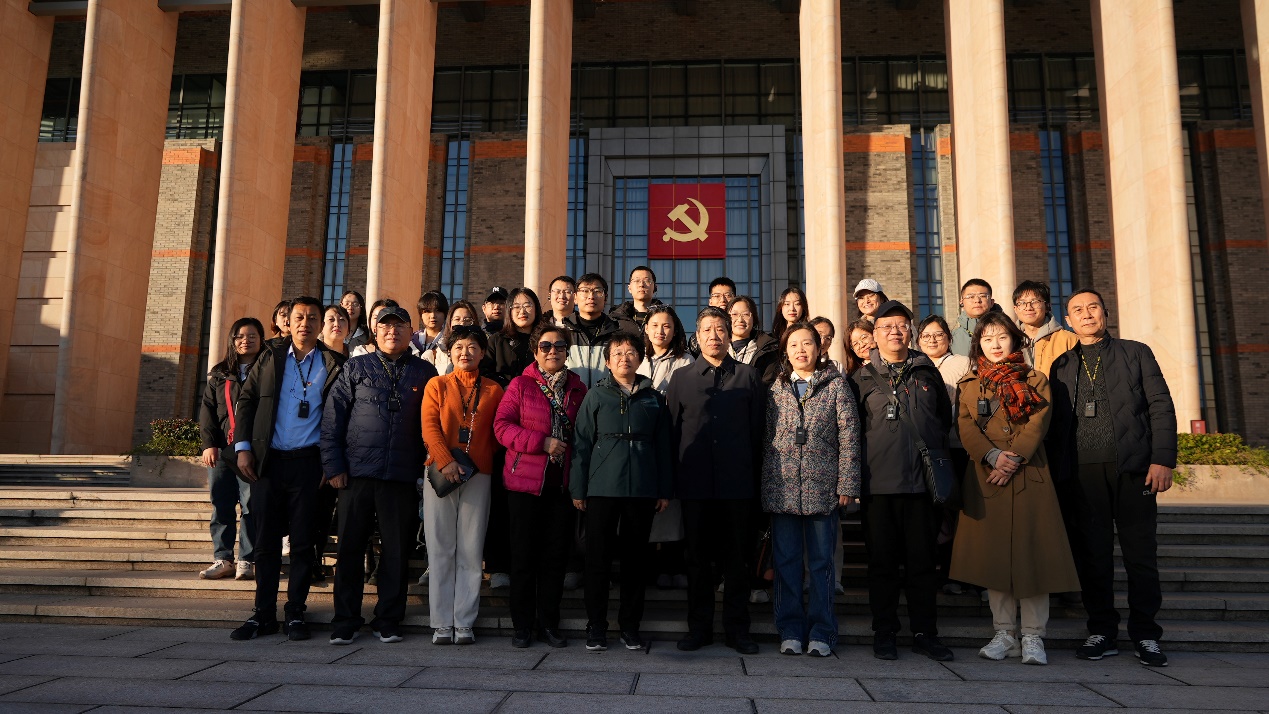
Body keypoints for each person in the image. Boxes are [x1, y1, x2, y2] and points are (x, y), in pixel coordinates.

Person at [1047, 289, 1176, 667]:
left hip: (1134, 470)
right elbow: (1055, 425)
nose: (1086, 314)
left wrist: (1162, 459)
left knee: (1140, 555)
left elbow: (1161, 406)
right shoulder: (1061, 364)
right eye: (1077, 310)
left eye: (1093, 308)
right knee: (1093, 556)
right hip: (1082, 475)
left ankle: (1146, 634)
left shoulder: (1136, 353)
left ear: (1105, 313)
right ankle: (1101, 629)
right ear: (1068, 321)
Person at [950, 311, 1080, 666]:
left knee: (1032, 556)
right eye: (987, 338)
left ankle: (1033, 635)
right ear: (978, 344)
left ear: (1015, 340)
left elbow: (1038, 422)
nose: (995, 344)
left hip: (1028, 474)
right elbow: (966, 427)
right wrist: (992, 456)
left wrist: (1014, 457)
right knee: (995, 560)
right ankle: (1004, 633)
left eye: (1002, 337)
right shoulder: (969, 383)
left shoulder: (1035, 379)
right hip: (986, 475)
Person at [230, 296, 347, 641]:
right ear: (288, 322)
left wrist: (330, 460)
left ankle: (295, 611)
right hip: (269, 463)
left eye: (312, 318)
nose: (305, 324)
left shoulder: (333, 363)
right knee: (265, 542)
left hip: (309, 464)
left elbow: (341, 417)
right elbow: (247, 401)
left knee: (303, 543)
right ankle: (263, 614)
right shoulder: (270, 355)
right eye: (299, 317)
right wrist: (243, 448)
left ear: (321, 324)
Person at [322, 306, 438, 645]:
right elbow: (332, 419)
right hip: (356, 474)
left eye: (399, 326)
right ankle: (345, 619)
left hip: (401, 476)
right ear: (375, 331)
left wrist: (423, 471)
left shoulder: (424, 371)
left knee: (396, 552)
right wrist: (333, 467)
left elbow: (432, 423)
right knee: (350, 549)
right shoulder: (356, 367)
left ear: (410, 331)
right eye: (386, 326)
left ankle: (388, 618)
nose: (392, 331)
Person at [851, 300, 954, 662]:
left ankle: (926, 633)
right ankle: (885, 631)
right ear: (875, 335)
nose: (894, 332)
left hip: (921, 486)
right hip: (878, 488)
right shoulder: (860, 378)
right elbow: (852, 432)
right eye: (887, 327)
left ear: (910, 332)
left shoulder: (926, 372)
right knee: (882, 564)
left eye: (901, 325)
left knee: (922, 565)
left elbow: (943, 419)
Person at [667, 306, 765, 655]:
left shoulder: (748, 376)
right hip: (695, 485)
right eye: (707, 329)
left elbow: (758, 432)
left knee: (737, 559)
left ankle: (738, 629)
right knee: (697, 560)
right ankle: (699, 628)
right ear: (697, 336)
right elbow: (671, 433)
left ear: (729, 334)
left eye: (720, 329)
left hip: (737, 485)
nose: (714, 335)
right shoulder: (682, 378)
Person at [762, 323, 861, 658]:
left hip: (823, 489)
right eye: (794, 345)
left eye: (807, 343)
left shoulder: (836, 385)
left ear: (819, 348)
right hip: (782, 488)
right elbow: (766, 440)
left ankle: (822, 631)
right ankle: (790, 630)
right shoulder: (775, 389)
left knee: (821, 565)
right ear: (785, 351)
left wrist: (847, 483)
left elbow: (849, 436)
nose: (801, 350)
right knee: (787, 563)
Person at [570, 332, 673, 651]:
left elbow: (664, 446)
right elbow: (581, 443)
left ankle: (630, 626)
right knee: (597, 559)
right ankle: (596, 626)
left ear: (640, 358)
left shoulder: (654, 398)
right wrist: (578, 487)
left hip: (642, 487)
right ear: (607, 361)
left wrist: (664, 488)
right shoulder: (595, 396)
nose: (624, 358)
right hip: (602, 486)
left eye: (630, 352)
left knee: (635, 561)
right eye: (617, 353)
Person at [493, 323, 587, 648]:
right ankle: (522, 625)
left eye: (559, 346)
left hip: (561, 487)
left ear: (567, 352)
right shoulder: (520, 385)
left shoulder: (578, 389)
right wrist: (541, 442)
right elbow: (501, 427)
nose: (552, 351)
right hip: (524, 485)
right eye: (545, 346)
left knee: (555, 559)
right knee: (523, 558)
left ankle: (549, 623)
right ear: (535, 351)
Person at [420, 325, 504, 645]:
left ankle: (464, 621)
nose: (465, 352)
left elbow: (497, 433)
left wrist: (478, 457)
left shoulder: (494, 389)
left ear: (482, 353)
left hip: (478, 474)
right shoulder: (437, 384)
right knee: (441, 547)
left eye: (472, 347)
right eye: (458, 347)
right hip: (441, 473)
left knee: (471, 548)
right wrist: (446, 460)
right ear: (449, 352)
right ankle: (442, 622)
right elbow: (429, 426)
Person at [197, 317, 265, 582]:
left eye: (252, 336)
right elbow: (208, 411)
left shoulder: (267, 370)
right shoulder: (220, 373)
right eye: (240, 336)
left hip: (253, 450)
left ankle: (247, 559)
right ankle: (223, 558)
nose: (245, 341)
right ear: (232, 340)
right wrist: (209, 444)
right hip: (223, 450)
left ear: (261, 339)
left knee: (250, 505)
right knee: (221, 503)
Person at [637, 304, 694, 589]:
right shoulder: (637, 358)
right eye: (655, 325)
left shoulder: (686, 361)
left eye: (667, 326)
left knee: (672, 508)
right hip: (641, 442)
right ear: (646, 329)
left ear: (675, 330)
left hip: (673, 440)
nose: (660, 331)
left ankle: (673, 565)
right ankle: (648, 568)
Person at [917, 315, 972, 596]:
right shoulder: (915, 365)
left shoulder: (963, 363)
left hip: (957, 446)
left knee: (956, 511)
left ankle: (958, 573)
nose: (933, 340)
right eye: (926, 336)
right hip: (925, 450)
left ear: (949, 339)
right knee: (930, 515)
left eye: (938, 335)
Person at [562, 273, 621, 389]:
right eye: (585, 291)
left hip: (606, 397)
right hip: (571, 398)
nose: (591, 296)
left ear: (606, 298)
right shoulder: (563, 332)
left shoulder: (616, 334)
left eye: (597, 291)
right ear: (575, 297)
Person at [1013, 280, 1079, 377]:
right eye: (1022, 303)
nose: (1028, 307)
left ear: (1047, 306)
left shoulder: (1069, 340)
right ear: (1015, 309)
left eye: (1035, 302)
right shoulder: (1009, 341)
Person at [488, 287, 543, 387]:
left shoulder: (545, 340)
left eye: (527, 305)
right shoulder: (496, 340)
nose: (522, 311)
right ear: (509, 311)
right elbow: (485, 372)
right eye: (516, 307)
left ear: (536, 309)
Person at [727, 295, 780, 385]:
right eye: (734, 314)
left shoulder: (767, 351)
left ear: (754, 319)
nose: (740, 320)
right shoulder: (718, 347)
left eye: (745, 314)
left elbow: (768, 384)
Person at [421, 299, 481, 375]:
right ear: (449, 323)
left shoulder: (481, 353)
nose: (462, 323)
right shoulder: (432, 356)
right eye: (457, 319)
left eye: (467, 320)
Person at [687, 277, 737, 357]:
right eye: (717, 296)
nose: (723, 300)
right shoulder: (695, 341)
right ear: (710, 302)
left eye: (728, 295)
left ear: (735, 299)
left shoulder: (744, 330)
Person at [951, 279, 1000, 357]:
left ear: (991, 302)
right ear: (962, 302)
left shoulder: (1008, 331)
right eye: (971, 297)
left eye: (983, 296)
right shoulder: (951, 339)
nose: (977, 300)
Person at [610, 265, 663, 333]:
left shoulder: (666, 316)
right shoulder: (616, 318)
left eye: (647, 280)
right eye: (636, 281)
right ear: (629, 288)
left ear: (655, 287)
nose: (641, 285)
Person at [412, 291, 449, 356]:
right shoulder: (412, 340)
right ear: (421, 315)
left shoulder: (450, 341)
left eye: (438, 311)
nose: (433, 316)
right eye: (427, 311)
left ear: (445, 314)